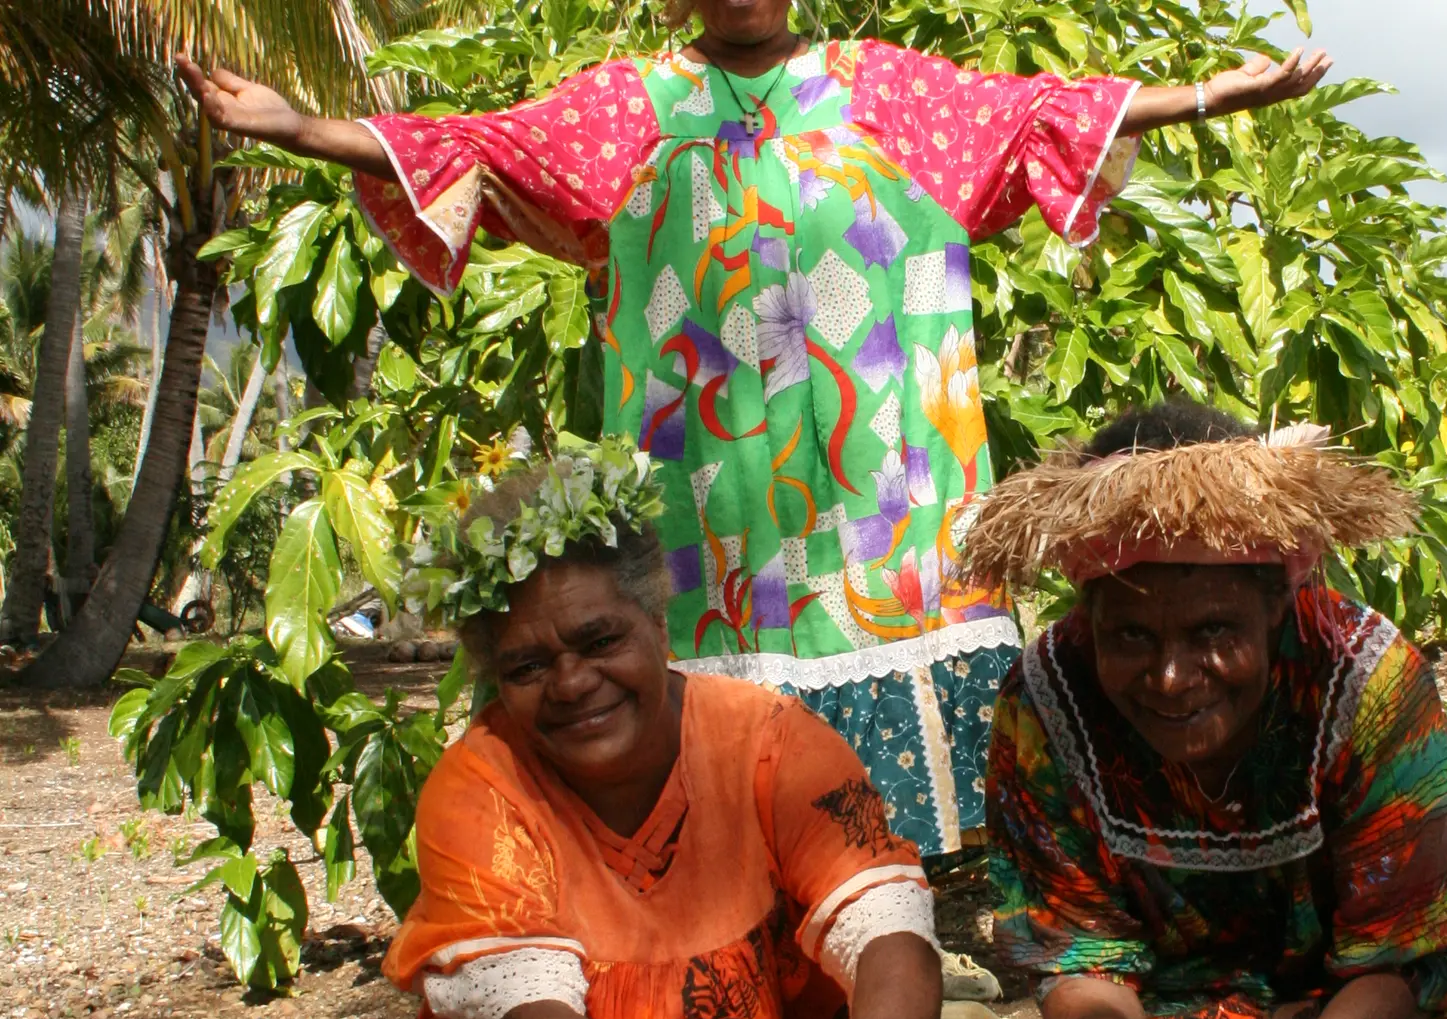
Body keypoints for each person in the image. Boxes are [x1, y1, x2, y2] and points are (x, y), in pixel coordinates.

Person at [174, 4, 1333, 856]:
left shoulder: (887, 92)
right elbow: (479, 147)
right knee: (733, 842)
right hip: (709, 541)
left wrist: (1216, 98)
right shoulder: (628, 111)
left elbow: (1042, 112)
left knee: (905, 867)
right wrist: (302, 127)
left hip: (892, 523)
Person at [964, 402, 1447, 1019]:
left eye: (1213, 632)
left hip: (1371, 1018)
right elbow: (1083, 961)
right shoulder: (1046, 702)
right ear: (1088, 609)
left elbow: (1409, 965)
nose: (1170, 678)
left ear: (1276, 601)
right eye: (1131, 635)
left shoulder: (1367, 685)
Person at [378, 438, 943, 1019]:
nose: (571, 684)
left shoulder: (770, 744)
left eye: (600, 641)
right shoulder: (479, 791)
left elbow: (888, 938)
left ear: (659, 627)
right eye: (529, 666)